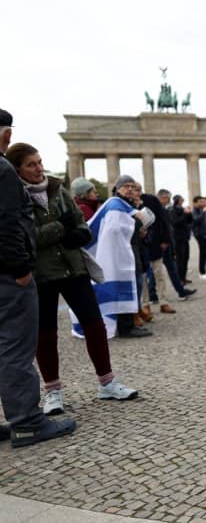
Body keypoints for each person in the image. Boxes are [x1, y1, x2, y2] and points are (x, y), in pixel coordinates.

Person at [6, 143, 138, 415]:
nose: (39, 168)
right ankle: (53, 391)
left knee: (94, 324)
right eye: (31, 164)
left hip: (73, 268)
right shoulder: (13, 194)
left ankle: (107, 382)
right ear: (17, 168)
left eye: (40, 161)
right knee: (45, 334)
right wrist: (61, 228)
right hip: (42, 273)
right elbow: (26, 237)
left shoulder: (58, 189)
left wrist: (76, 233)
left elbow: (80, 226)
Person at [0, 109, 77, 447]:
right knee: (16, 347)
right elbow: (8, 223)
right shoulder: (2, 170)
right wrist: (20, 268)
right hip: (8, 274)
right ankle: (27, 421)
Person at [110, 176, 154, 339]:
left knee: (132, 287)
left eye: (132, 186)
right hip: (123, 254)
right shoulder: (117, 204)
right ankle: (126, 327)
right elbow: (117, 227)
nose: (129, 189)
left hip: (131, 251)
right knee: (126, 289)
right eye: (125, 186)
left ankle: (129, 323)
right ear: (117, 188)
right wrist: (137, 223)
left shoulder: (124, 204)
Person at [168, 194, 192, 285]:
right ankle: (180, 279)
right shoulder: (172, 210)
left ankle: (184, 277)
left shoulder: (182, 209)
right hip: (178, 238)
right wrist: (185, 214)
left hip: (185, 237)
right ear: (177, 200)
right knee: (180, 259)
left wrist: (189, 214)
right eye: (181, 199)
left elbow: (189, 221)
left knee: (186, 258)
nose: (183, 201)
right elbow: (176, 222)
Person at [192, 196, 206, 280]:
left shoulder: (200, 210)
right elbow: (196, 220)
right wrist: (204, 212)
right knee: (202, 253)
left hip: (205, 234)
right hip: (199, 235)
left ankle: (205, 270)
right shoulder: (194, 211)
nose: (202, 203)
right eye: (200, 201)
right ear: (195, 203)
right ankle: (201, 272)